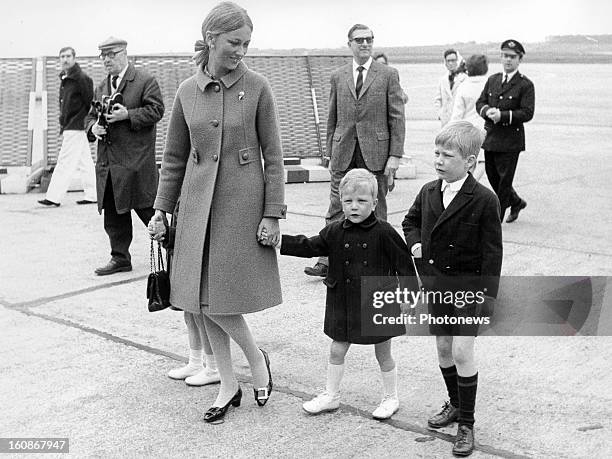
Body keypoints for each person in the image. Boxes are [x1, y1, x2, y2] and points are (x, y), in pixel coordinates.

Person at [148, 1, 285, 424]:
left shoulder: (258, 86)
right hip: (195, 205)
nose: (241, 50)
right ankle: (228, 384)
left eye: (246, 43)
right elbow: (173, 158)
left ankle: (256, 363)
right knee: (199, 299)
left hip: (240, 206)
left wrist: (272, 213)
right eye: (233, 42)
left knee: (223, 298)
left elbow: (275, 156)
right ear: (211, 39)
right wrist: (161, 211)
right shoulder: (187, 91)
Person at [270, 169, 412, 419]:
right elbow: (311, 245)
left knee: (383, 352)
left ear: (375, 203)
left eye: (362, 201)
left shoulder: (384, 231)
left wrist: (408, 298)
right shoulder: (335, 230)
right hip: (343, 300)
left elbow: (404, 265)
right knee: (337, 350)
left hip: (375, 302)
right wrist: (281, 241)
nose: (354, 207)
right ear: (340, 202)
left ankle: (391, 397)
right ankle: (331, 395)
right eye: (348, 201)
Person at [402, 121, 503, 457]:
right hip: (437, 286)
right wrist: (416, 244)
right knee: (444, 348)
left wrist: (488, 298)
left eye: (447, 155)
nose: (439, 160)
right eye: (436, 153)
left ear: (470, 162)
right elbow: (410, 221)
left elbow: (492, 254)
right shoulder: (430, 191)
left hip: (470, 289)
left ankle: (467, 424)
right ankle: (456, 404)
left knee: (462, 352)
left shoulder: (485, 200)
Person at [305, 24, 405, 278]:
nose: (364, 44)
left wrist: (394, 156)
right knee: (338, 206)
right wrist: (329, 153)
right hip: (343, 150)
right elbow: (332, 116)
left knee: (376, 206)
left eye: (369, 39)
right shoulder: (338, 76)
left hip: (377, 153)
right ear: (349, 43)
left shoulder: (388, 75)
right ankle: (327, 261)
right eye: (359, 40)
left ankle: (380, 263)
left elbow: (397, 118)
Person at [85, 37, 165, 275]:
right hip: (109, 164)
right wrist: (93, 128)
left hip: (135, 162)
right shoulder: (101, 87)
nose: (107, 60)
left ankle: (174, 250)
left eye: (112, 54)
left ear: (125, 53)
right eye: (104, 56)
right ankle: (120, 257)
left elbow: (156, 110)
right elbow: (89, 116)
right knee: (113, 213)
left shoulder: (144, 81)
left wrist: (127, 115)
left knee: (148, 210)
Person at [148, 203, 221, 387]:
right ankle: (196, 361)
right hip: (181, 215)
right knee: (188, 309)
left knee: (199, 309)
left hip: (195, 222)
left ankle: (213, 366)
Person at [476, 39, 535, 223]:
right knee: (493, 176)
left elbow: (527, 112)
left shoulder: (525, 85)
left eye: (512, 57)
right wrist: (487, 111)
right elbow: (480, 102)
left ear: (520, 59)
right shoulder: (493, 80)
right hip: (491, 138)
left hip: (511, 141)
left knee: (504, 183)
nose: (508, 60)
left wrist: (503, 115)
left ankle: (496, 220)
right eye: (505, 56)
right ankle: (516, 202)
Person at [38, 47, 96, 208]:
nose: (65, 59)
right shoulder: (66, 78)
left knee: (65, 161)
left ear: (74, 58)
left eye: (68, 56)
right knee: (85, 161)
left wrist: (86, 122)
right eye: (62, 56)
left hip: (76, 125)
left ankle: (53, 197)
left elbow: (89, 101)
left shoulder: (81, 78)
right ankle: (93, 194)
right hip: (71, 125)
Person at [450, 54, 489, 181]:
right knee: (482, 162)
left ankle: (467, 185)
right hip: (485, 129)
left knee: (468, 162)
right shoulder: (489, 85)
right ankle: (471, 185)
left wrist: (451, 133)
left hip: (467, 130)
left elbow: (457, 115)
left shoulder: (463, 86)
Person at [434, 49, 467, 127]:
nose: (450, 63)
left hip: (460, 120)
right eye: (448, 61)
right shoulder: (443, 80)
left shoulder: (464, 78)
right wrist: (440, 114)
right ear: (445, 62)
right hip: (446, 120)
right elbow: (437, 99)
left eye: (453, 60)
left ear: (457, 61)